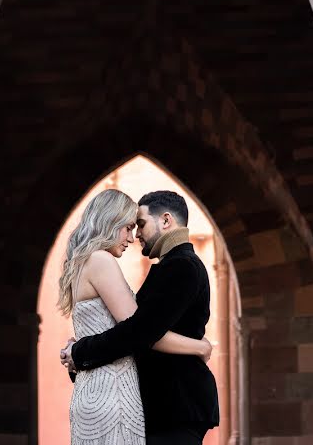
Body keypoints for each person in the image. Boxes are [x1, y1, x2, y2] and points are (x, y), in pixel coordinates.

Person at [61, 190, 220, 445]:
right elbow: (138, 331)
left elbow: (140, 332)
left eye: (140, 225)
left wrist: (80, 352)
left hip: (176, 405)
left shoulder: (181, 266)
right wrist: (200, 346)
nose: (135, 237)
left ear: (166, 221)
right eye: (129, 227)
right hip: (156, 405)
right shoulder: (167, 266)